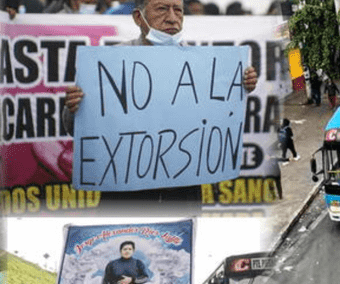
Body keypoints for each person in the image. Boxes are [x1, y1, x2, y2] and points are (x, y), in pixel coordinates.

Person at [62, 0, 258, 210]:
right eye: (162, 9)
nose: (172, 18)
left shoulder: (203, 66)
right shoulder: (110, 62)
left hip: (183, 190)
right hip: (124, 193)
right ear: (139, 17)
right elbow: (75, 128)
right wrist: (75, 108)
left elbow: (217, 120)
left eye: (178, 10)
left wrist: (239, 87)